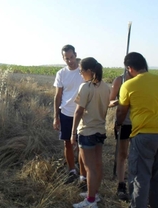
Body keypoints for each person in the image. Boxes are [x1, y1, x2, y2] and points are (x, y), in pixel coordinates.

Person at [116, 52, 158, 208]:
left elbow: (122, 111)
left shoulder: (128, 85)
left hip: (144, 135)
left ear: (129, 68)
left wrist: (118, 124)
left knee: (140, 177)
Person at [71, 57, 110, 208]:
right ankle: (94, 193)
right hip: (100, 130)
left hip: (87, 131)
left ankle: (91, 200)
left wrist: (73, 132)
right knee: (97, 165)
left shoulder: (85, 87)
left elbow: (79, 111)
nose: (80, 73)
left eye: (81, 70)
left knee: (89, 168)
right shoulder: (106, 87)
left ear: (89, 71)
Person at [53, 45, 86, 185]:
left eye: (72, 57)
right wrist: (56, 116)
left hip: (83, 114)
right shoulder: (61, 73)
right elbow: (58, 95)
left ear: (76, 55)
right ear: (63, 58)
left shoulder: (83, 72)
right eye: (67, 58)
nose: (70, 61)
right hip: (66, 113)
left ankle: (83, 176)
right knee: (67, 143)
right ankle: (72, 170)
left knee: (82, 146)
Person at [109, 71, 133, 201]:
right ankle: (121, 184)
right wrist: (119, 101)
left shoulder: (142, 79)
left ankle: (136, 184)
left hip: (140, 123)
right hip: (123, 123)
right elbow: (110, 101)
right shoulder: (120, 80)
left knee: (136, 155)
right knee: (122, 154)